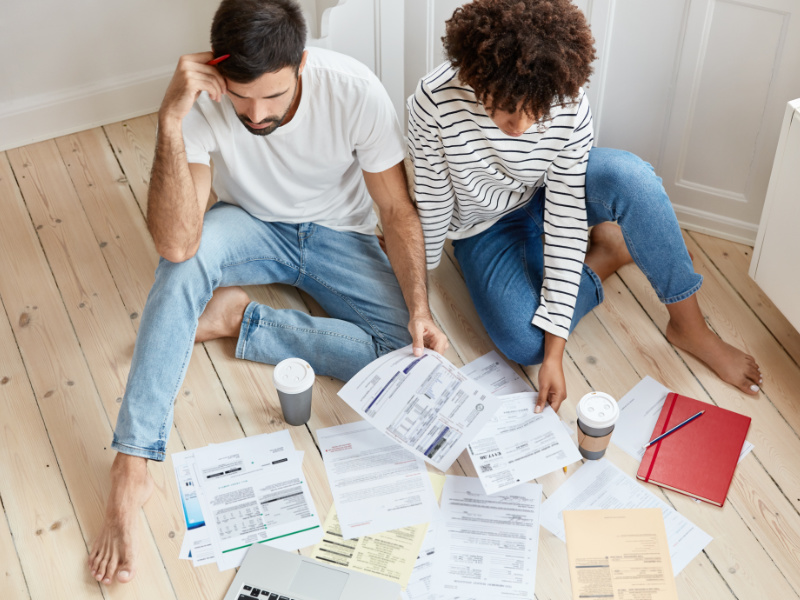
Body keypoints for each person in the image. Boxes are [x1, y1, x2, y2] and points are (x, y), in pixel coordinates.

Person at [89, 0, 447, 585]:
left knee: (405, 356)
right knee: (180, 271)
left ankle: (244, 321)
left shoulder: (354, 89)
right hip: (249, 225)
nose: (256, 115)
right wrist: (169, 121)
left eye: (273, 97)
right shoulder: (205, 100)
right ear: (218, 73)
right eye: (242, 96)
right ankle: (131, 466)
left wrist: (419, 309)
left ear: (301, 64)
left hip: (340, 233)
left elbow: (395, 209)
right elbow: (177, 242)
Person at [407, 0, 761, 415]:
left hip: (554, 194)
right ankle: (608, 254)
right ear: (474, 76)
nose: (518, 126)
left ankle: (690, 326)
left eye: (532, 113)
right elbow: (431, 200)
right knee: (525, 343)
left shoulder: (566, 99)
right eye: (503, 108)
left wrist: (557, 354)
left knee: (633, 179)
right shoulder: (433, 101)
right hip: (484, 225)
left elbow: (565, 220)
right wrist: (418, 293)